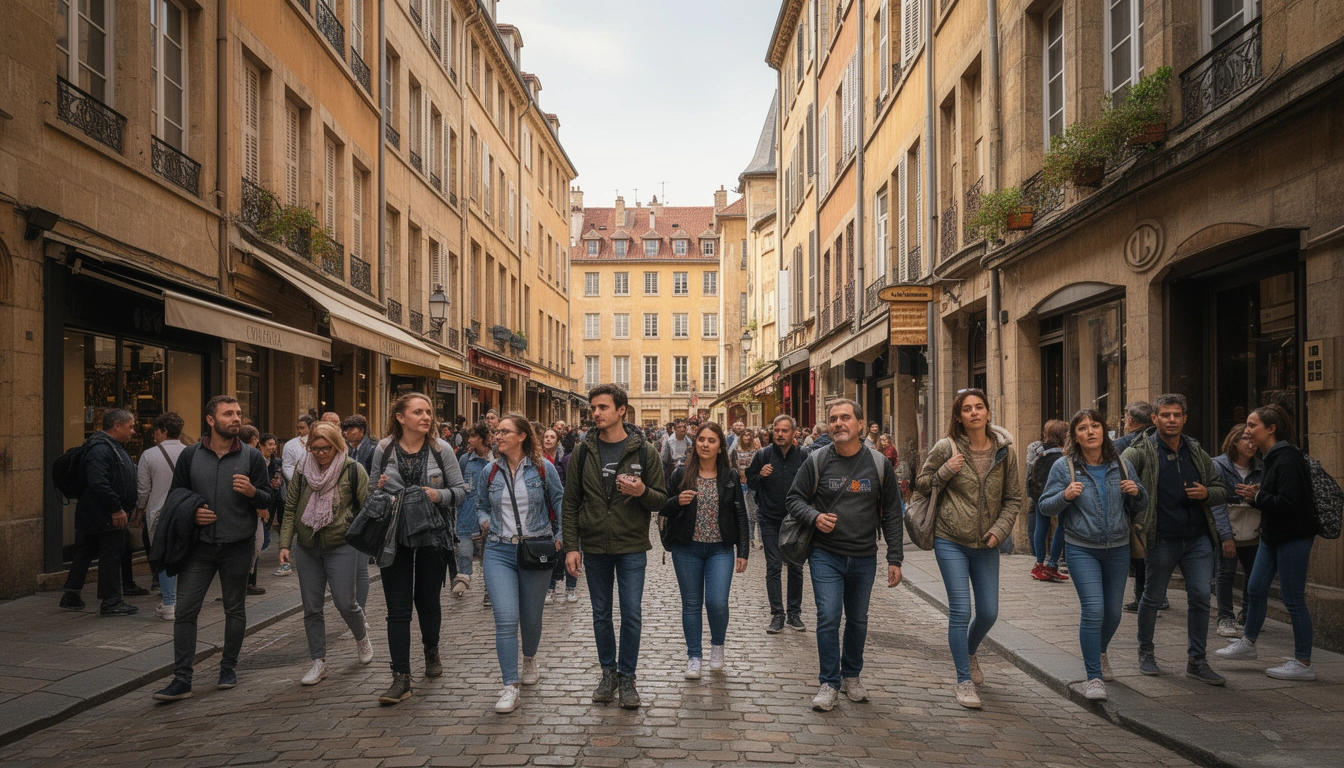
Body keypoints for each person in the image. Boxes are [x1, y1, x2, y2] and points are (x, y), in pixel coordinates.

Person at [152, 396, 273, 702]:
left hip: (237, 545)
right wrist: (191, 514)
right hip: (199, 547)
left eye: (239, 413)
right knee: (186, 611)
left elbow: (270, 499)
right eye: (229, 414)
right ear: (210, 420)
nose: (236, 418)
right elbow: (176, 496)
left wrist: (252, 492)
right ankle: (182, 678)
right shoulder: (191, 456)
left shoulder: (252, 457)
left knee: (234, 608)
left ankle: (228, 668)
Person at [786, 399, 903, 712]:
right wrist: (814, 517)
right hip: (826, 554)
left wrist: (895, 558)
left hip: (864, 556)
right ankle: (829, 682)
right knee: (828, 616)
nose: (838, 423)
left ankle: (852, 675)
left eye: (845, 418)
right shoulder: (817, 460)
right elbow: (794, 500)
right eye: (833, 419)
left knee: (859, 620)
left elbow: (892, 512)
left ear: (860, 424)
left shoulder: (878, 464)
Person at [562, 384, 668, 710]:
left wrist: (641, 493)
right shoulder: (583, 451)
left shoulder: (644, 451)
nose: (596, 413)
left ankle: (627, 677)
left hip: (631, 545)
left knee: (632, 613)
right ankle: (607, 672)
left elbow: (661, 499)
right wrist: (571, 546)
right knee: (601, 613)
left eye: (603, 407)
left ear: (621, 410)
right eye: (593, 408)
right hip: (594, 545)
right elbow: (570, 503)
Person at [915, 388, 1022, 709]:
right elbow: (921, 483)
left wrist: (1001, 530)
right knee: (961, 610)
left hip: (987, 541)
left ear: (988, 413)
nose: (974, 413)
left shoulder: (1004, 452)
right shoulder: (945, 447)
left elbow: (1014, 498)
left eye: (979, 407)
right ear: (958, 416)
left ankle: (970, 651)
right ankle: (963, 680)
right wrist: (945, 471)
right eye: (967, 409)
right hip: (951, 539)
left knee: (988, 612)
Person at [1038, 409, 1147, 701]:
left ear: (1104, 430)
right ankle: (1093, 676)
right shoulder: (1064, 467)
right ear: (1075, 435)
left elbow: (1143, 501)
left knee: (1113, 613)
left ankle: (1099, 652)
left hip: (1119, 547)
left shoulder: (1121, 464)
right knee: (1094, 610)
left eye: (1095, 426)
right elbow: (1044, 506)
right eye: (1083, 428)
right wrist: (1065, 496)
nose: (1090, 431)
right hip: (1081, 547)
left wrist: (1136, 491)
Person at [1121, 393, 1229, 685]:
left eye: (1176, 415)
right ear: (1154, 418)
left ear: (1184, 419)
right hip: (1161, 538)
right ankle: (1146, 653)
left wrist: (1207, 494)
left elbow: (1221, 488)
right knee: (1153, 597)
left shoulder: (1195, 450)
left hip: (1197, 539)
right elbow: (1119, 489)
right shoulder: (1138, 452)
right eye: (1165, 415)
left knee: (1201, 597)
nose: (1171, 420)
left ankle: (1197, 660)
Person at [371, 393, 468, 705]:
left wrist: (438, 496)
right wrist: (382, 490)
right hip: (394, 536)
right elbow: (372, 491)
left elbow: (462, 491)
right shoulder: (384, 449)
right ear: (401, 417)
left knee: (427, 601)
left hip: (433, 535)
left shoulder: (441, 451)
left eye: (428, 412)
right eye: (418, 412)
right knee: (397, 609)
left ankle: (431, 649)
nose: (426, 417)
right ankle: (400, 677)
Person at [1216, 405, 1320, 680]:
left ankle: (1303, 663)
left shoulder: (1287, 459)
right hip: (1272, 535)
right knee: (1256, 587)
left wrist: (1256, 497)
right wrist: (1260, 494)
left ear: (1271, 429)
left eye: (1252, 425)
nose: (1247, 431)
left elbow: (1288, 503)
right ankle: (1248, 643)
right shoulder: (1271, 458)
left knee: (1293, 598)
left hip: (1293, 536)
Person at [474, 415, 566, 713]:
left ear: (522, 436)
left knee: (531, 618)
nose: (497, 436)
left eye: (504, 431)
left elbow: (560, 501)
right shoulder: (489, 471)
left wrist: (561, 537)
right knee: (505, 618)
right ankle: (509, 685)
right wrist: (486, 521)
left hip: (536, 550)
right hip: (499, 551)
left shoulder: (543, 469)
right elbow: (480, 505)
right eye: (496, 431)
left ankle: (529, 658)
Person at [277, 422, 375, 686]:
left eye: (325, 449)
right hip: (307, 546)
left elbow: (367, 508)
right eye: (315, 449)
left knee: (346, 603)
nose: (320, 454)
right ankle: (318, 661)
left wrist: (355, 531)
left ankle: (361, 637)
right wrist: (284, 544)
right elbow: (290, 508)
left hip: (341, 545)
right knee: (311, 608)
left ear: (337, 446)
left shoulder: (353, 470)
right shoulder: (302, 471)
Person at [661, 422, 750, 679]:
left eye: (711, 440)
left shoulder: (730, 476)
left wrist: (743, 551)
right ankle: (694, 657)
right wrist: (677, 501)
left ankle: (717, 646)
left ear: (720, 446)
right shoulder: (681, 474)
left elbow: (740, 515)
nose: (705, 444)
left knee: (717, 601)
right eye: (701, 439)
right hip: (686, 548)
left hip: (720, 549)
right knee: (691, 603)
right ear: (694, 443)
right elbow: (663, 507)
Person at [61, 409, 139, 616]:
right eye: (130, 426)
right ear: (117, 425)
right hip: (103, 513)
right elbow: (99, 481)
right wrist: (116, 508)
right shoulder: (101, 448)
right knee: (111, 555)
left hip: (95, 511)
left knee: (86, 551)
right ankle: (111, 601)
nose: (133, 431)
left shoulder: (108, 446)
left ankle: (71, 594)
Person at [747, 415, 809, 634]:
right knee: (773, 565)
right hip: (770, 518)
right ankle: (777, 614)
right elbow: (749, 479)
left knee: (795, 565)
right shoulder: (763, 455)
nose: (780, 434)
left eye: (784, 430)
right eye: (777, 430)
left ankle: (794, 613)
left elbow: (813, 483)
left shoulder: (803, 456)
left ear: (793, 434)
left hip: (795, 521)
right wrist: (760, 476)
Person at [1210, 424, 1263, 637]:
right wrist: (1225, 536)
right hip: (1228, 527)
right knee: (1225, 572)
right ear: (1234, 441)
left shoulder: (1261, 468)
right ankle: (1225, 616)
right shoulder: (1218, 466)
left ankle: (1248, 616)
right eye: (1246, 440)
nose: (1252, 445)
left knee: (1254, 574)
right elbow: (1216, 503)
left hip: (1253, 529)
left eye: (1254, 440)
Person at [136, 412, 189, 621]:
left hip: (159, 512)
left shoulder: (149, 455)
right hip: (185, 511)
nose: (154, 435)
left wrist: (139, 511)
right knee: (184, 556)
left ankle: (169, 603)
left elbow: (143, 490)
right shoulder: (191, 452)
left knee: (165, 558)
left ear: (163, 431)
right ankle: (183, 601)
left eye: (155, 431)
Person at [1114, 401, 1153, 612]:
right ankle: (1156, 596)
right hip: (1156, 504)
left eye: (1125, 416)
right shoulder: (1158, 441)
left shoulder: (1122, 445)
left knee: (1140, 555)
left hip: (1137, 507)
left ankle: (1143, 597)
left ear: (1130, 420)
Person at [453, 422, 493, 599]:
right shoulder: (465, 460)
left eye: (472, 437)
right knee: (465, 552)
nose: (468, 440)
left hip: (490, 514)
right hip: (467, 514)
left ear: (483, 439)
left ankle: (489, 590)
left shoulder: (494, 460)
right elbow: (458, 485)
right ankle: (463, 578)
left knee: (489, 555)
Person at [1028, 420, 1070, 583]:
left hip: (1039, 494)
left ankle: (1039, 564)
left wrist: (1031, 494)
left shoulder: (1037, 450)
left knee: (1041, 526)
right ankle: (1052, 564)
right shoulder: (1063, 454)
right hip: (1059, 494)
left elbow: (1029, 473)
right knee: (1061, 525)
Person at [541, 427, 578, 603]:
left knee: (570, 547)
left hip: (566, 509)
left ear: (558, 441)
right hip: (547, 513)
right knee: (550, 551)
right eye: (545, 437)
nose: (548, 439)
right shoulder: (538, 461)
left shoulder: (565, 459)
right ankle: (550, 588)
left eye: (551, 437)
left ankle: (571, 587)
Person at [275, 414, 315, 576]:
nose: (300, 430)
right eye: (298, 427)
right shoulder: (291, 445)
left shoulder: (320, 439)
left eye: (303, 427)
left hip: (320, 487)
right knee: (295, 516)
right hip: (298, 487)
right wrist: (299, 483)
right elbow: (287, 466)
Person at [732, 429, 760, 548]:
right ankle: (747, 537)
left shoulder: (756, 451)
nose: (747, 437)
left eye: (749, 435)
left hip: (752, 482)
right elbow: (734, 465)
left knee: (754, 511)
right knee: (743, 511)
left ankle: (756, 538)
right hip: (740, 482)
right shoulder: (735, 450)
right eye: (745, 435)